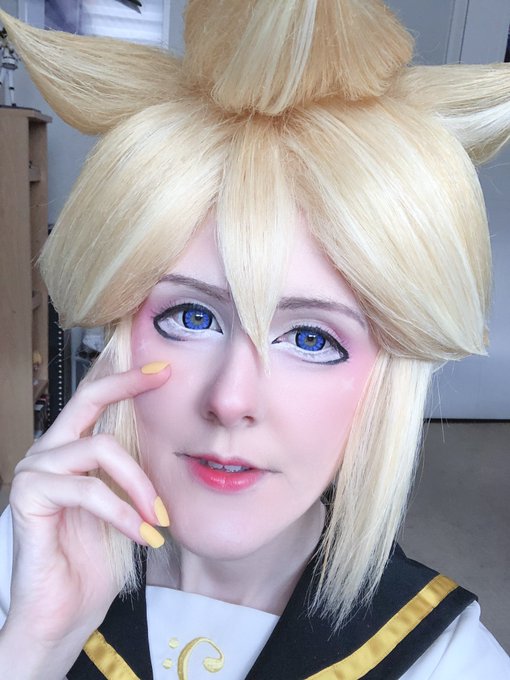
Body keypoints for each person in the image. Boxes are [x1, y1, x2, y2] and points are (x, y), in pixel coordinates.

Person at [0, 1, 509, 678]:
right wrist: (34, 650)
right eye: (192, 317)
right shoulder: (24, 556)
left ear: (386, 376)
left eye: (311, 338)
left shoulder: (450, 662)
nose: (231, 399)